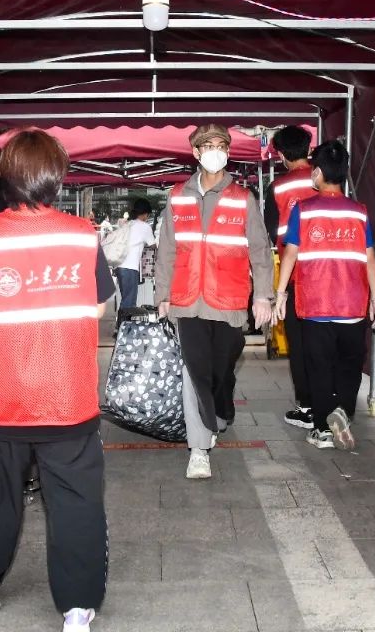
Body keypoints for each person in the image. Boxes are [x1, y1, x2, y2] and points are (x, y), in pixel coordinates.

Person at [0, 130, 116, 632]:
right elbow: (101, 304)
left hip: (1, 396)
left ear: (7, 177)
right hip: (67, 395)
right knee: (76, 501)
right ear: (56, 180)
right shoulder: (82, 235)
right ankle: (78, 607)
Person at [155, 123, 274, 480]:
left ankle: (220, 411)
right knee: (196, 373)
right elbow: (167, 250)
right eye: (207, 145)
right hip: (187, 300)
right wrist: (162, 294)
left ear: (228, 150)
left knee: (221, 372)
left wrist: (263, 296)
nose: (214, 150)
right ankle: (199, 448)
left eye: (220, 144)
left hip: (230, 300)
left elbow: (259, 250)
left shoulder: (243, 198)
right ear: (195, 152)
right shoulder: (177, 196)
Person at [274, 140, 375, 451]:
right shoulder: (360, 213)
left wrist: (281, 293)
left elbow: (291, 253)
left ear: (317, 172)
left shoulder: (304, 210)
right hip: (353, 305)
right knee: (349, 364)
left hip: (316, 305)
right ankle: (343, 410)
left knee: (319, 367)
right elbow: (370, 258)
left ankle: (321, 429)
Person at [263, 125, 317, 430]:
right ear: (309, 149)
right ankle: (331, 402)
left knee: (299, 342)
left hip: (295, 275)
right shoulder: (327, 179)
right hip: (332, 275)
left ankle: (307, 406)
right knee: (325, 342)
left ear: (281, 155)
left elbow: (274, 231)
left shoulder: (279, 187)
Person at [114, 198, 156, 309]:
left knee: (125, 299)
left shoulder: (128, 224)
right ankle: (124, 325)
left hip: (119, 267)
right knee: (129, 304)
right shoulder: (145, 227)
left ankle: (121, 324)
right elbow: (153, 246)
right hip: (130, 268)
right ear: (145, 213)